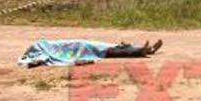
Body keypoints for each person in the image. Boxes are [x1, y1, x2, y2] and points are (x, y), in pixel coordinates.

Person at [18, 39, 163, 68]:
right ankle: (141, 51)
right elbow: (34, 61)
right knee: (110, 51)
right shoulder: (44, 50)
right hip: (85, 48)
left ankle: (145, 50)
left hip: (84, 45)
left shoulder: (48, 45)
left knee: (112, 48)